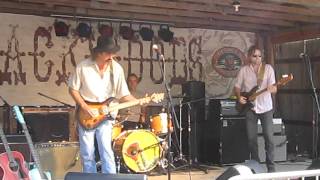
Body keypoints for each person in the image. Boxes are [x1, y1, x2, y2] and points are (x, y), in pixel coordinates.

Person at [68, 36, 138, 174]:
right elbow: (73, 89)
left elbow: (123, 94)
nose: (111, 56)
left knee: (106, 150)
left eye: (113, 53)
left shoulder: (116, 69)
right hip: (86, 114)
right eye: (108, 53)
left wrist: (139, 101)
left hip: (106, 115)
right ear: (98, 53)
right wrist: (84, 106)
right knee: (87, 153)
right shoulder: (83, 66)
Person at [234, 45, 277, 172]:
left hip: (266, 108)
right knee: (251, 139)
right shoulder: (243, 70)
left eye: (259, 56)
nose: (257, 58)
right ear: (249, 56)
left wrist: (272, 89)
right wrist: (239, 97)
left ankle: (271, 168)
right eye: (254, 56)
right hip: (250, 108)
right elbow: (237, 86)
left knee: (269, 137)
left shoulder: (268, 69)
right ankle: (256, 167)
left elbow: (275, 88)